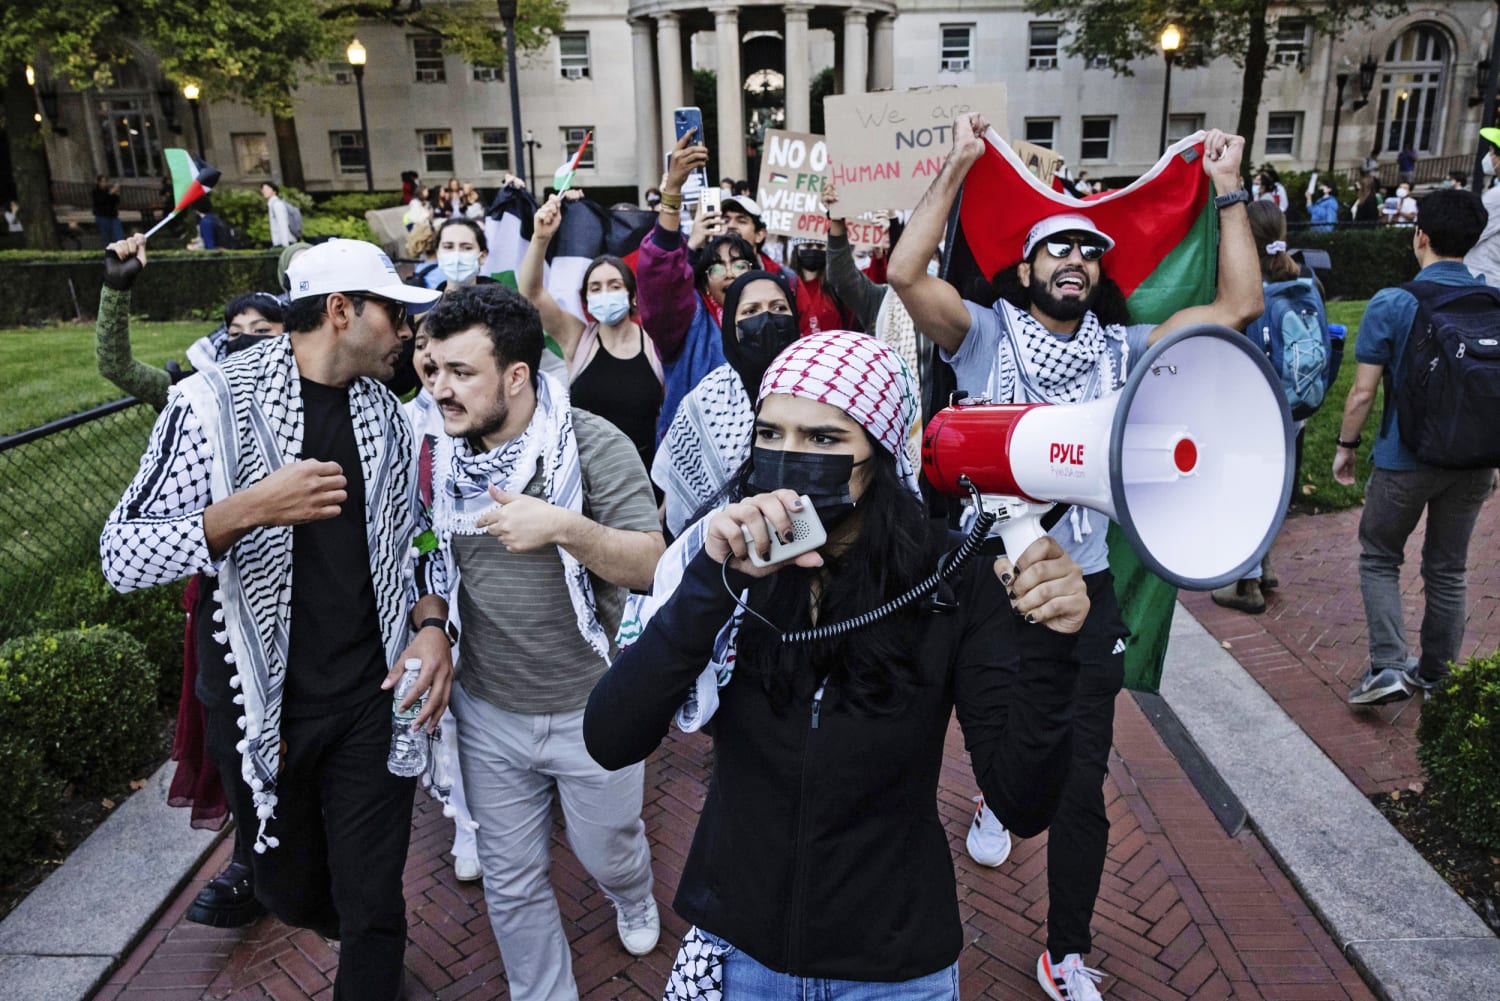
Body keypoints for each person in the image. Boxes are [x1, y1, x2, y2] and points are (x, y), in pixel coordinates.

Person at [585, 329, 1090, 994]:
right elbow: (611, 735)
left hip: (892, 967)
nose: (790, 458)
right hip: (742, 950)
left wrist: (1050, 644)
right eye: (771, 433)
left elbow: (1021, 802)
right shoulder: (727, 557)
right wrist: (716, 581)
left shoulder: (949, 578)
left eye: (824, 440)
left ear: (878, 454)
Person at [888, 115, 1262, 1001]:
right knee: (987, 746)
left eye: (1088, 252)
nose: (1074, 259)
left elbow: (1237, 309)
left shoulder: (1123, 352)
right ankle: (999, 791)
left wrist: (1230, 189)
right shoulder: (982, 332)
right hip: (986, 580)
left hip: (1084, 590)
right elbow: (905, 273)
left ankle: (1066, 947)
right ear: (1024, 269)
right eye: (1055, 245)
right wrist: (959, 165)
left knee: (1083, 782)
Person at [101, 239, 449, 1000]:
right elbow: (120, 554)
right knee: (285, 888)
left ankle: (371, 963)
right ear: (340, 311)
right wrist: (247, 510)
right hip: (262, 709)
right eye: (394, 313)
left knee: (374, 900)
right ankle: (348, 927)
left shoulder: (384, 417)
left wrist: (431, 620)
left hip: (372, 697)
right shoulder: (209, 404)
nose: (406, 333)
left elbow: (419, 533)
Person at [419, 284, 665, 997]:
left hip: (595, 706)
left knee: (608, 851)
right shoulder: (436, 455)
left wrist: (562, 526)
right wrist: (432, 624)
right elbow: (420, 555)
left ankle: (632, 890)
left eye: (462, 373)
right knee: (512, 878)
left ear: (518, 376)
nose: (441, 389)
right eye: (434, 370)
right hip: (488, 709)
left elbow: (653, 563)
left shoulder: (591, 443)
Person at [96, 236, 287, 927]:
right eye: (234, 334)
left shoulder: (314, 402)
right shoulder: (191, 401)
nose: (244, 345)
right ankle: (251, 856)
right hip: (220, 601)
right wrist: (117, 290)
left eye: (262, 334)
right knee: (229, 731)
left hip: (298, 605)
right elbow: (115, 364)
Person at [1333, 188, 1497, 705]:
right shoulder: (1493, 300)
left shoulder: (1394, 302)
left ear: (1420, 235)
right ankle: (1438, 676)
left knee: (1380, 555)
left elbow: (1362, 392)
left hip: (1406, 458)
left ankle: (1386, 667)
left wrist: (1346, 447)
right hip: (1474, 460)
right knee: (1447, 568)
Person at [1211, 200, 1323, 614]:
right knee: (1273, 485)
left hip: (1256, 406)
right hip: (1295, 407)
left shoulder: (1246, 294)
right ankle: (1266, 563)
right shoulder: (1305, 283)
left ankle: (1247, 584)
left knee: (1245, 489)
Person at [652, 269, 800, 537]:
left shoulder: (821, 388)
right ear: (731, 323)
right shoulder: (706, 399)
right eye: (751, 311)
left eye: (778, 307)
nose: (766, 319)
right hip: (725, 551)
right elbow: (681, 498)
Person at [520, 194, 664, 469]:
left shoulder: (655, 346)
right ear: (586, 300)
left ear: (632, 295)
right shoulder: (578, 338)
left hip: (642, 479)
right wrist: (541, 238)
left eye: (614, 285)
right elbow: (532, 294)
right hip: (584, 477)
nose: (605, 293)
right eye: (595, 288)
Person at [637, 130, 765, 440]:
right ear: (704, 284)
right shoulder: (688, 325)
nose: (730, 273)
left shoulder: (773, 319)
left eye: (740, 264)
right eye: (718, 266)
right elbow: (660, 278)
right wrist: (672, 191)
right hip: (694, 456)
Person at [788, 238, 852, 336]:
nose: (814, 250)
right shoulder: (788, 287)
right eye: (808, 246)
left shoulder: (837, 286)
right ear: (797, 250)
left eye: (820, 246)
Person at [1463, 127, 1500, 285]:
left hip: (1485, 277)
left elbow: (1471, 232)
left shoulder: (1496, 196)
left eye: (1492, 152)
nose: (1488, 158)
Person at [430, 216, 494, 293]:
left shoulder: (503, 303)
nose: (456, 256)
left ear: (482, 256)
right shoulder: (429, 302)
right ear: (438, 254)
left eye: (467, 248)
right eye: (448, 247)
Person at [261, 181, 294, 247]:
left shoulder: (277, 205)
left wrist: (285, 245)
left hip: (285, 243)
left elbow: (283, 225)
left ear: (274, 191)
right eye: (263, 189)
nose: (264, 191)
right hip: (281, 243)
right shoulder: (272, 204)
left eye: (267, 189)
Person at [93, 176, 124, 244]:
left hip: (113, 216)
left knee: (118, 236)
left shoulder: (108, 190)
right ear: (99, 183)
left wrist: (116, 193)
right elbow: (101, 201)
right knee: (106, 237)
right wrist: (110, 193)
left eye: (105, 182)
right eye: (102, 182)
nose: (104, 183)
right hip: (102, 216)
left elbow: (116, 201)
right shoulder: (96, 192)